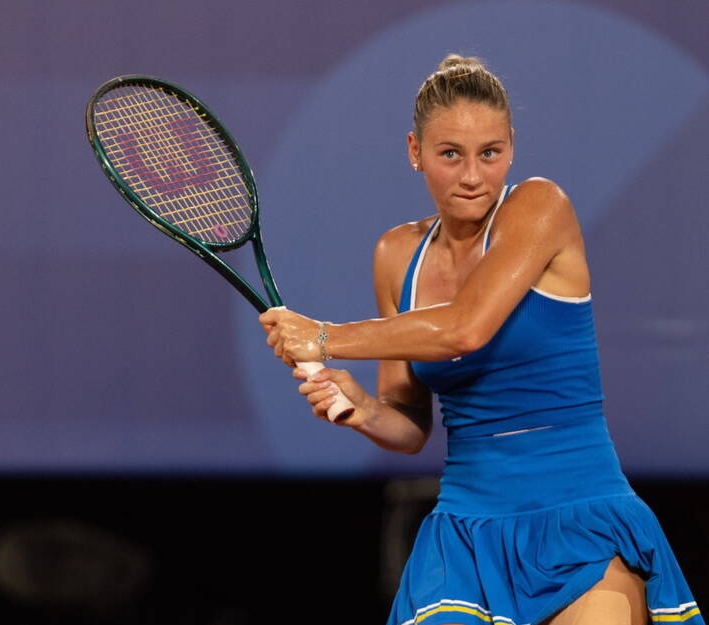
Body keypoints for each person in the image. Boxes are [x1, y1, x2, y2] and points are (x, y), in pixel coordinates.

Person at [258, 54, 703, 625]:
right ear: (415, 151)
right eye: (451, 154)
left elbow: (465, 328)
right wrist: (363, 408)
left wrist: (323, 337)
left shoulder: (540, 206)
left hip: (581, 519)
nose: (473, 176)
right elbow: (410, 423)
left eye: (490, 153)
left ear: (511, 146)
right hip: (466, 535)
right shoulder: (396, 255)